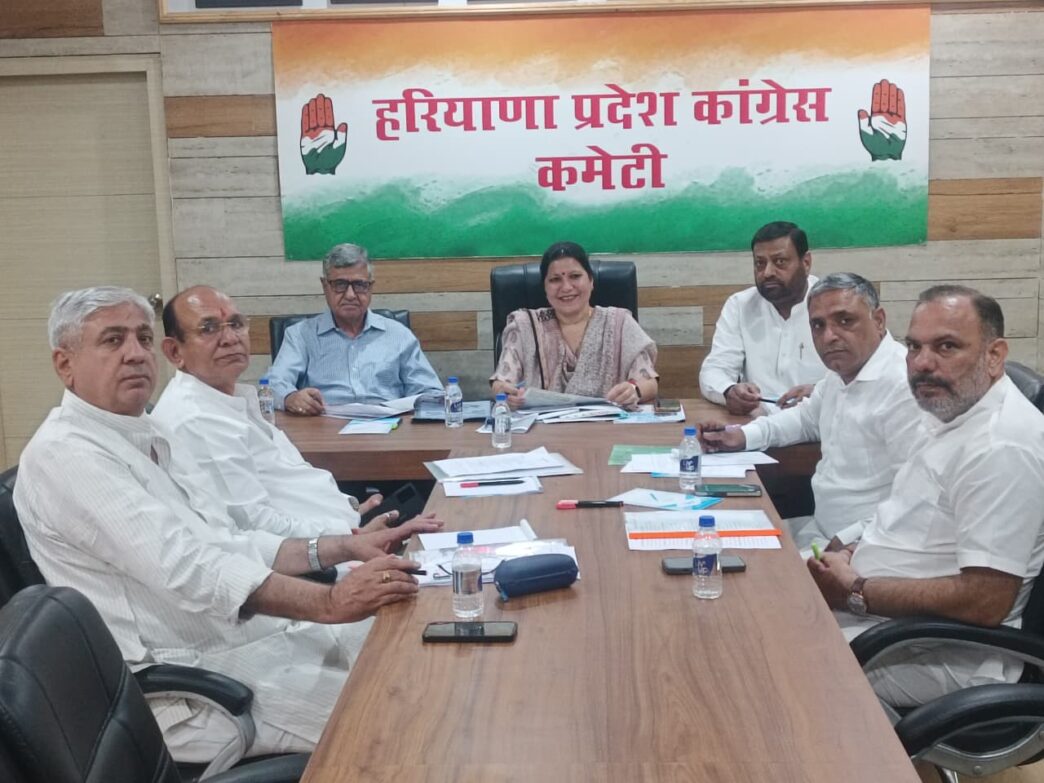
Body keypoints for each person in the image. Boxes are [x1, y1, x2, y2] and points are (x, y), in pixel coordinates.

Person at [14, 286, 442, 761]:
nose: (135, 353)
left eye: (142, 338)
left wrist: (340, 547)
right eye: (113, 340)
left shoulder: (146, 431)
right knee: (409, 723)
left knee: (418, 650)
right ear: (65, 364)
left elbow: (223, 538)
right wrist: (329, 602)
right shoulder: (66, 454)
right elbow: (189, 568)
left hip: (244, 639)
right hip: (193, 688)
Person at [808, 285, 1044, 709]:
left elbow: (985, 601)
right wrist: (850, 553)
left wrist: (856, 589)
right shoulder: (950, 412)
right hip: (884, 615)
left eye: (946, 346)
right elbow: (904, 515)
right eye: (914, 346)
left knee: (776, 661)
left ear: (994, 355)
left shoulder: (1001, 447)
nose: (921, 363)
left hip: (943, 650)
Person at [154, 285, 412, 537]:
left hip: (337, 524)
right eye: (209, 328)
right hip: (322, 550)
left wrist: (350, 509)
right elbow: (253, 525)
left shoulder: (230, 398)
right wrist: (350, 534)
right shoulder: (198, 420)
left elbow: (287, 481)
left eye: (236, 324)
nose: (230, 339)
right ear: (175, 352)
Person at [699, 273, 922, 550]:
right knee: (711, 539)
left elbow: (916, 500)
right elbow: (804, 419)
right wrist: (741, 436)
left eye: (845, 321)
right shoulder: (839, 375)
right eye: (818, 325)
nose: (829, 336)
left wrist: (851, 540)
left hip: (864, 547)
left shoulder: (905, 386)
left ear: (878, 320)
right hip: (819, 530)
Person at [268, 243, 442, 415]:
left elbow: (431, 393)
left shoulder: (399, 335)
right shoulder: (300, 335)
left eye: (359, 285)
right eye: (340, 284)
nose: (350, 295)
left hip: (390, 427)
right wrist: (290, 397)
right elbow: (272, 385)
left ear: (370, 287)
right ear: (325, 286)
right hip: (324, 427)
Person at [490, 240, 658, 408]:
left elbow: (649, 382)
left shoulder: (620, 322)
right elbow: (501, 382)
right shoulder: (524, 325)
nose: (566, 287)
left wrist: (634, 390)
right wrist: (504, 393)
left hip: (607, 423)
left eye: (575, 276)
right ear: (545, 288)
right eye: (555, 279)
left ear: (591, 281)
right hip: (540, 424)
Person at [699, 221, 827, 414]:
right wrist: (729, 390)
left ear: (806, 262)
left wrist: (821, 392)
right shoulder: (740, 305)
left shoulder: (833, 304)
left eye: (780, 262)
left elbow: (863, 374)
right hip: (758, 423)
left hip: (820, 422)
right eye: (760, 263)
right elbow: (715, 369)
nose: (767, 273)